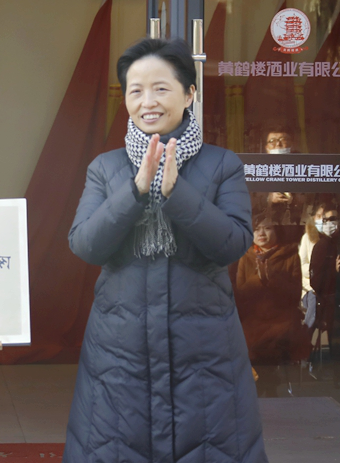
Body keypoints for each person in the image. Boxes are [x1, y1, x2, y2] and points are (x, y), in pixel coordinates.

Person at [64, 38, 266, 463]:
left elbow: (233, 244)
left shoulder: (222, 164)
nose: (147, 102)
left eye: (161, 88)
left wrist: (177, 194)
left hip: (205, 351)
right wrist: (136, 190)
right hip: (119, 352)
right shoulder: (106, 168)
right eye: (136, 90)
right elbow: (86, 244)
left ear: (189, 94)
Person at [235, 216, 307, 396]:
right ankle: (262, 389)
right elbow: (240, 294)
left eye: (267, 228)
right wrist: (259, 279)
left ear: (276, 231)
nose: (261, 233)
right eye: (256, 228)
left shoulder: (290, 255)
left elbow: (294, 294)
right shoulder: (245, 256)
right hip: (253, 322)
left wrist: (272, 279)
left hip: (281, 321)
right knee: (250, 346)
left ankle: (270, 389)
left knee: (273, 345)